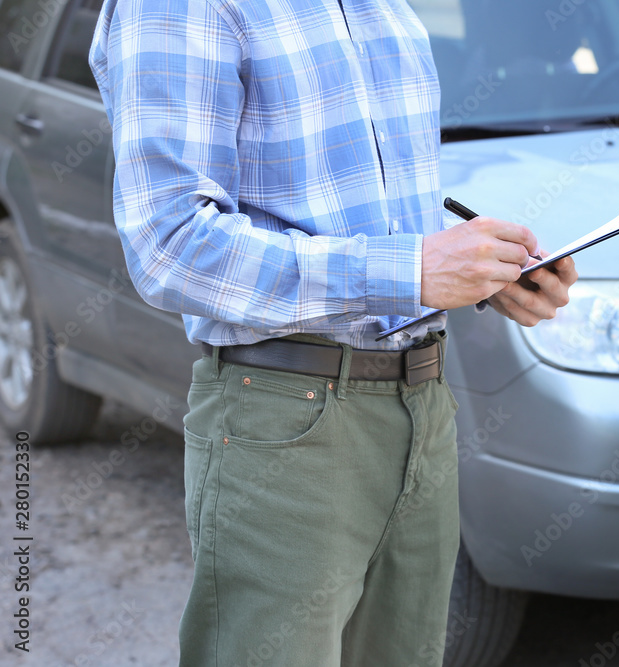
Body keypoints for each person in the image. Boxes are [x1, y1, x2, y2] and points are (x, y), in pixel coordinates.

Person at [88, 0, 577, 665]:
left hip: (424, 405)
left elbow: (362, 203)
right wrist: (412, 268)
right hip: (285, 415)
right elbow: (170, 246)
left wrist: (482, 269)